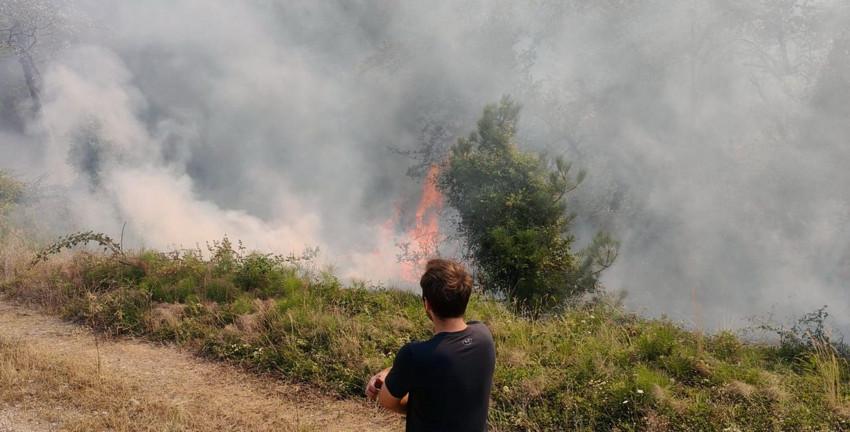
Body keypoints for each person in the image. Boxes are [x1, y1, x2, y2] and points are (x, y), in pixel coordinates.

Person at [365, 258, 496, 431]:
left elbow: (387, 401)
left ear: (427, 304)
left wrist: (385, 383)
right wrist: (389, 371)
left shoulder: (414, 355)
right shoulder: (483, 334)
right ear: (466, 298)